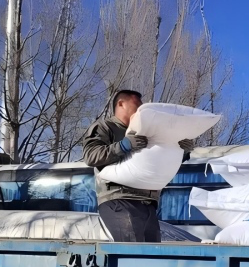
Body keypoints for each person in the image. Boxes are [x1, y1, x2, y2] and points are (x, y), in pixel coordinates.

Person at [82, 90, 194, 242]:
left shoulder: (147, 132)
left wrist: (180, 151)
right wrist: (123, 146)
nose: (140, 111)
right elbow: (91, 156)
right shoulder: (105, 127)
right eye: (137, 106)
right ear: (121, 104)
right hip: (119, 200)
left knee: (152, 251)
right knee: (134, 250)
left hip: (148, 203)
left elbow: (160, 162)